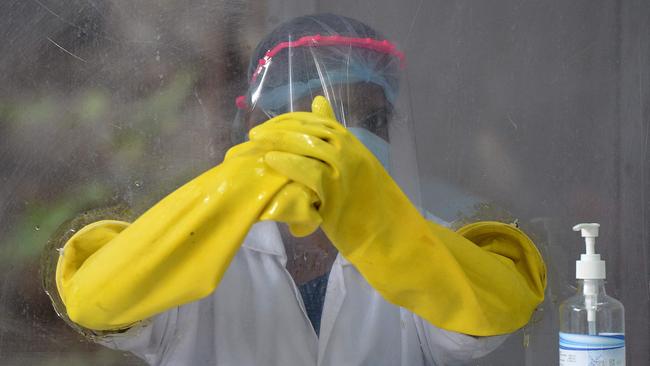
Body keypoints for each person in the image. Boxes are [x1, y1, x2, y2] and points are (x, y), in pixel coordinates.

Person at [50, 14, 546, 365]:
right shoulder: (187, 250)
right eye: (307, 119)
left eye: (369, 119)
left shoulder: (427, 251)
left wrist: (377, 224)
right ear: (254, 126)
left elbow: (500, 308)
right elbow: (95, 298)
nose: (338, 143)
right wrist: (236, 187)